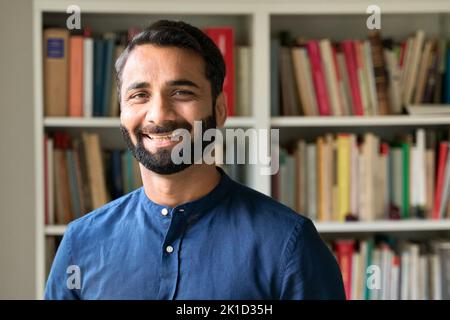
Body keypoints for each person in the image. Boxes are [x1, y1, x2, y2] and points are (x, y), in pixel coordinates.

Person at [45, 20, 345, 300]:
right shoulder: (80, 244)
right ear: (121, 113)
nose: (159, 114)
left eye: (181, 92)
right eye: (139, 95)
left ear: (220, 109)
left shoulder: (288, 244)